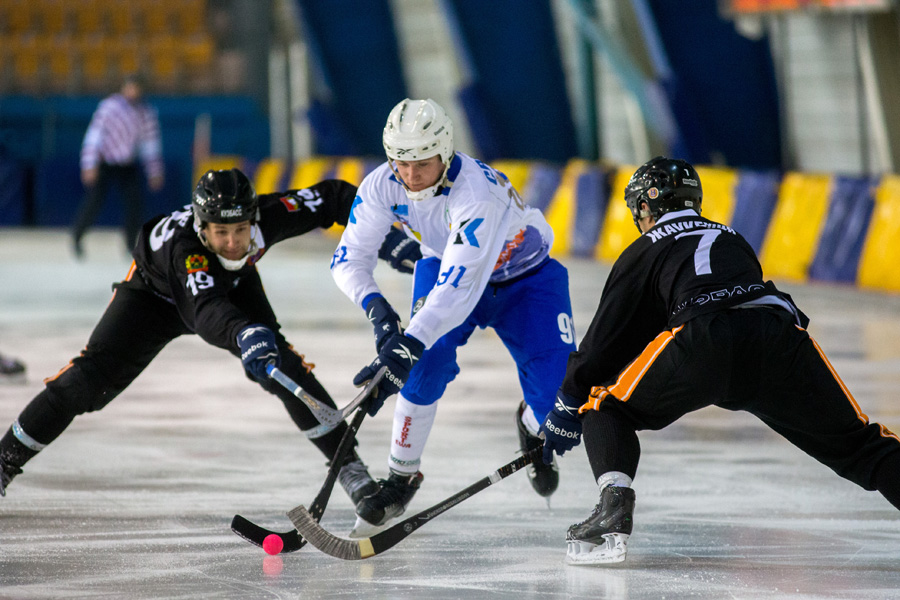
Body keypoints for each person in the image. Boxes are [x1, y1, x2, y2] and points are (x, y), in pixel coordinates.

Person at [539, 156, 900, 565]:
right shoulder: (732, 236)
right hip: (778, 337)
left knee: (604, 406)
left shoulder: (645, 248)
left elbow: (605, 344)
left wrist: (568, 408)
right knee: (860, 445)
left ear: (644, 206)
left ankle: (613, 508)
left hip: (703, 339)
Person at [0, 168, 420, 500]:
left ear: (253, 217)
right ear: (202, 227)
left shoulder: (265, 218)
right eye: (221, 232)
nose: (234, 242)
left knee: (283, 367)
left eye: (241, 230)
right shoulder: (188, 249)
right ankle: (4, 462)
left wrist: (384, 238)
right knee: (85, 383)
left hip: (227, 289)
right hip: (154, 295)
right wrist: (245, 333)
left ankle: (350, 469)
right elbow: (205, 311)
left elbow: (336, 197)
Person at [330, 98, 577, 536]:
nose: (409, 176)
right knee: (423, 369)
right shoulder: (381, 183)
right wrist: (380, 314)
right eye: (399, 163)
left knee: (562, 409)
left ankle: (530, 424)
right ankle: (400, 478)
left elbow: (459, 291)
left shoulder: (475, 194)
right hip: (445, 266)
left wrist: (409, 342)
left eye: (421, 164)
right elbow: (348, 260)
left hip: (526, 281)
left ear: (445, 152)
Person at [74, 73, 165, 258]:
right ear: (124, 87)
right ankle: (77, 237)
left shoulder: (146, 112)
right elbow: (94, 135)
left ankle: (131, 245)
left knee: (134, 204)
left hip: (128, 164)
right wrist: (89, 164)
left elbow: (150, 144)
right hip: (106, 162)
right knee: (94, 202)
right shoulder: (109, 107)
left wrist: (154, 171)